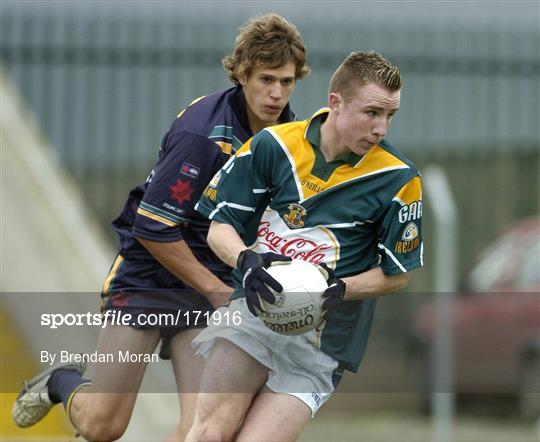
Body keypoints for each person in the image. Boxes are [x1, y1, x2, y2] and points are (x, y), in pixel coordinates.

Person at [12, 13, 310, 442]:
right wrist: (216, 289)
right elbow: (153, 229)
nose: (276, 93)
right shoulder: (201, 135)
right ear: (241, 74)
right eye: (266, 79)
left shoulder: (289, 138)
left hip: (214, 276)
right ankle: (61, 381)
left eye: (287, 81)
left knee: (202, 428)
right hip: (152, 272)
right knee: (103, 425)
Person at [187, 50, 423, 441]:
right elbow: (219, 228)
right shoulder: (273, 145)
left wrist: (342, 287)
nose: (381, 128)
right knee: (210, 432)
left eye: (389, 116)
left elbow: (398, 275)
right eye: (371, 113)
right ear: (336, 102)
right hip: (253, 314)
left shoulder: (398, 177)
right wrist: (246, 260)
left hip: (323, 343)